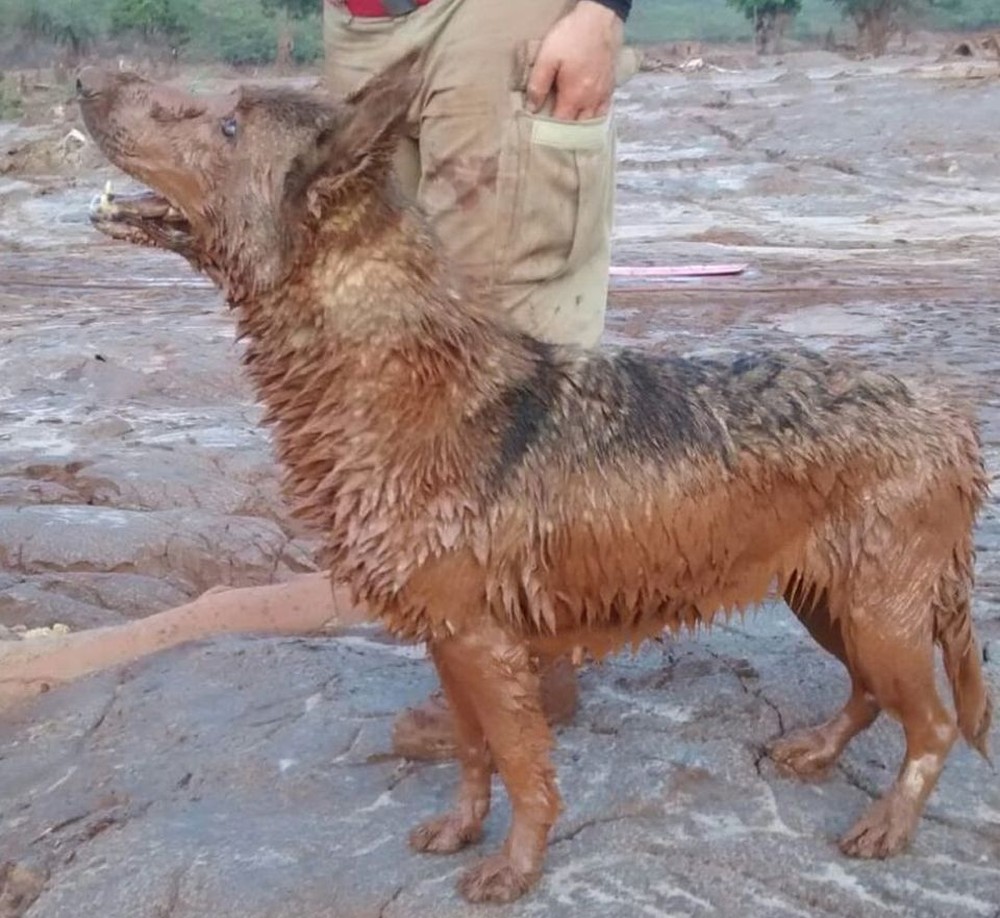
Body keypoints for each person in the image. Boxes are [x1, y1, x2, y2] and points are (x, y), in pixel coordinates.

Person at [323, 0, 637, 759]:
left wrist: (602, 11)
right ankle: (463, 607)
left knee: (500, 336)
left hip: (499, 15)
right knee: (369, 304)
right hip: (358, 21)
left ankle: (537, 652)